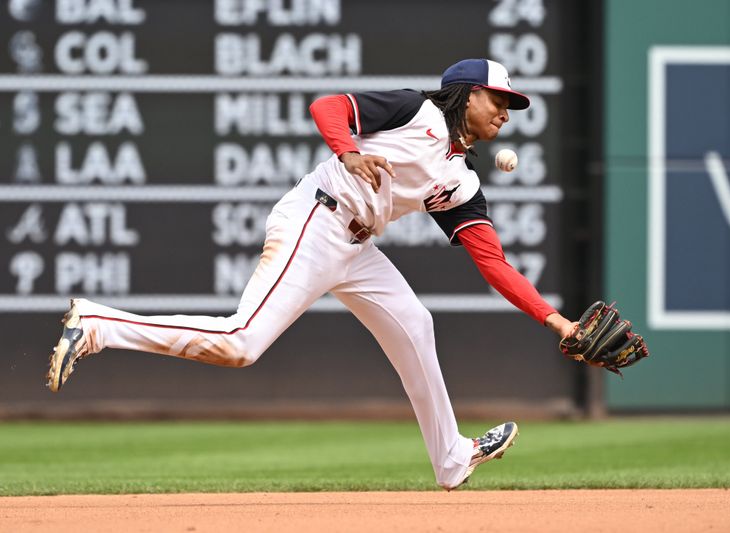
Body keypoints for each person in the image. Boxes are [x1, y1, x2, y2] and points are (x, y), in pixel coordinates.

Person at [47, 58, 578, 491]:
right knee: (241, 343)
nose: (506, 112)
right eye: (498, 99)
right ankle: (97, 325)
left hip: (356, 246)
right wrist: (348, 153)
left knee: (416, 324)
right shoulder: (416, 111)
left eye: (510, 104)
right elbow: (327, 106)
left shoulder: (460, 181)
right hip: (316, 217)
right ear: (465, 93)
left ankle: (452, 458)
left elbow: (493, 262)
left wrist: (558, 323)